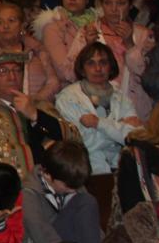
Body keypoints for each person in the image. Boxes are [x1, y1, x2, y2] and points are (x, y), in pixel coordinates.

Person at [0, 51, 70, 179]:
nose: (12, 77)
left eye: (17, 70)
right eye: (3, 71)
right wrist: (44, 150)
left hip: (55, 183)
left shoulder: (39, 105)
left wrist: (35, 115)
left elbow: (73, 139)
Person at [54, 42, 141, 175]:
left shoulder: (122, 97)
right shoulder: (66, 99)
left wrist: (98, 124)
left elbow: (135, 137)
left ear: (111, 67)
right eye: (91, 63)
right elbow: (80, 144)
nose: (98, 68)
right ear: (82, 69)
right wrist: (120, 128)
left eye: (103, 62)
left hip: (123, 169)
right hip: (84, 171)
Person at [21, 140, 101, 243]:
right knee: (86, 201)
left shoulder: (70, 179)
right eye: (67, 186)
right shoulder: (29, 193)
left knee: (87, 201)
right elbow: (41, 232)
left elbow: (91, 226)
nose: (72, 190)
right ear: (47, 174)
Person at [0, 2, 60, 103]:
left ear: (22, 25)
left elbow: (53, 83)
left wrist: (32, 103)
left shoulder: (36, 49)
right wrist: (9, 108)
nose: (5, 26)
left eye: (11, 21)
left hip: (36, 108)